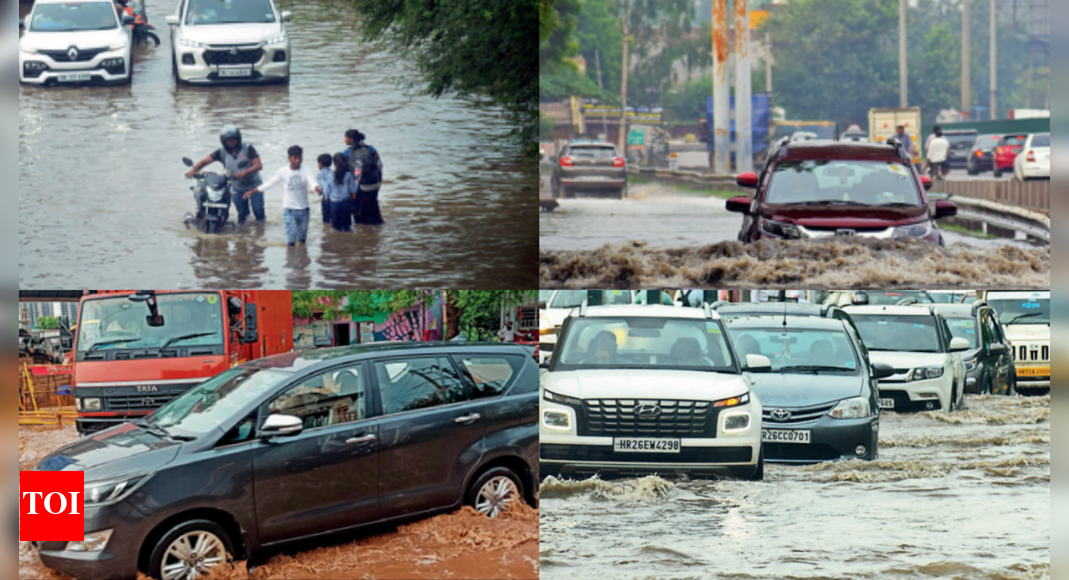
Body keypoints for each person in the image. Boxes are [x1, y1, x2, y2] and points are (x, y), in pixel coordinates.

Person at [186, 127, 265, 224]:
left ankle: (260, 232)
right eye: (227, 140)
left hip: (254, 185)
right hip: (237, 187)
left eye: (233, 139)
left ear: (238, 139)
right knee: (241, 214)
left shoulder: (248, 148)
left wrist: (245, 172)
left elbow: (258, 165)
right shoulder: (221, 152)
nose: (230, 142)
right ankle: (245, 233)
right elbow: (205, 161)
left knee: (258, 211)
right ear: (223, 142)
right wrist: (193, 170)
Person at [243, 146, 319, 247]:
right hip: (289, 209)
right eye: (295, 158)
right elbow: (270, 183)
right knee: (290, 239)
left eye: (300, 158)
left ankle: (302, 259)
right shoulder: (283, 171)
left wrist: (316, 188)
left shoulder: (306, 170)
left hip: (304, 209)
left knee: (302, 238)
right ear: (289, 158)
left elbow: (312, 182)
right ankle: (291, 259)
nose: (298, 160)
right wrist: (253, 191)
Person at [325, 153, 358, 233]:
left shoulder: (330, 175)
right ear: (345, 162)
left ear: (334, 163)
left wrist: (327, 198)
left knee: (335, 228)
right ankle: (348, 242)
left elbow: (327, 190)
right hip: (346, 203)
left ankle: (336, 242)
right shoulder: (348, 175)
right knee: (347, 227)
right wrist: (357, 183)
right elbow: (352, 190)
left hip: (335, 204)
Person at [316, 154, 333, 224]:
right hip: (335, 199)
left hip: (326, 199)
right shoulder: (334, 173)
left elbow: (325, 186)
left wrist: (326, 196)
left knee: (326, 221)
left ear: (320, 164)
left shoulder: (320, 175)